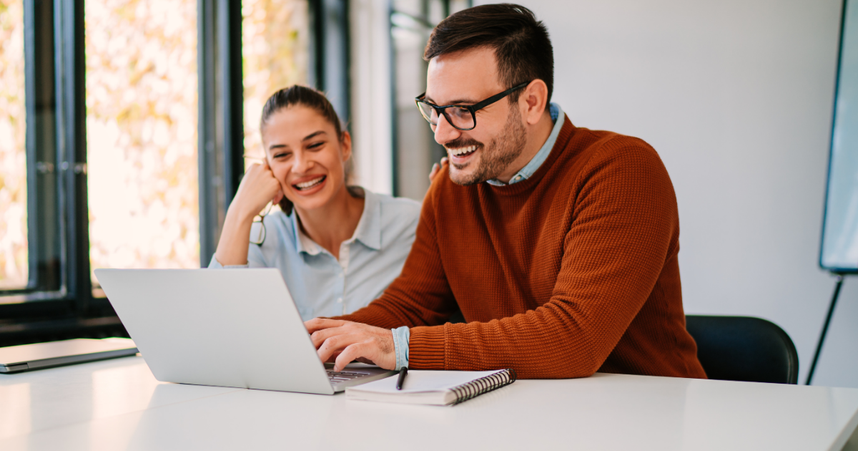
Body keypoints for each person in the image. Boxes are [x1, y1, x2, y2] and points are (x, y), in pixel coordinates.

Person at [305, 3, 707, 380]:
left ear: (531, 101)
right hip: (523, 414)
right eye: (434, 109)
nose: (443, 133)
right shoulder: (451, 186)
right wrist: (318, 343)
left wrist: (397, 346)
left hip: (650, 417)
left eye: (464, 111)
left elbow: (574, 337)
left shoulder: (621, 169)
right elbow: (411, 306)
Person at [210, 85, 420, 321]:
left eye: (314, 145)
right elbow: (217, 325)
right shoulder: (262, 241)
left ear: (344, 146)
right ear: (268, 166)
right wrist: (240, 211)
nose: (301, 166)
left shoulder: (413, 224)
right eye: (281, 155)